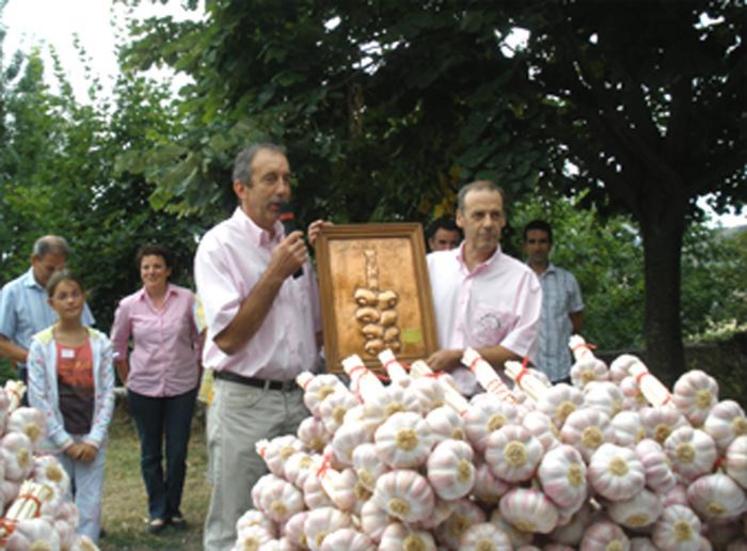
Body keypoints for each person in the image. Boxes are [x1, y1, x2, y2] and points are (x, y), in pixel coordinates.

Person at [194, 143, 325, 551]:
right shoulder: (219, 246)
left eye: (286, 178)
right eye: (270, 179)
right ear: (241, 189)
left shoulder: (294, 246)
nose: (282, 189)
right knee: (237, 526)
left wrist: (337, 258)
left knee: (299, 521)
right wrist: (275, 273)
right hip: (246, 404)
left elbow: (320, 332)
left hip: (300, 402)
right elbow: (230, 338)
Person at [110, 244, 203, 534]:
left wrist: (199, 372)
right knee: (150, 452)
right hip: (143, 386)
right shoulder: (129, 306)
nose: (151, 271)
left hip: (182, 385)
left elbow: (201, 338)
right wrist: (128, 380)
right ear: (141, 271)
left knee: (176, 451)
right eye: (146, 267)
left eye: (157, 266)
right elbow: (117, 347)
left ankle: (174, 508)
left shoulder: (188, 299)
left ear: (168, 270)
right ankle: (157, 511)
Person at [426, 181, 542, 394]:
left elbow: (518, 351)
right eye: (478, 215)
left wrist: (460, 356)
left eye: (495, 215)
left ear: (504, 220)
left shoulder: (522, 279)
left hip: (492, 404)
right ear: (460, 219)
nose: (488, 223)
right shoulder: (430, 267)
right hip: (430, 398)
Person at [26, 270, 115, 543]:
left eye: (75, 294)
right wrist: (66, 442)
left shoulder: (100, 342)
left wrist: (94, 439)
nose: (70, 301)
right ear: (51, 303)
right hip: (54, 441)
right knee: (57, 501)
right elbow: (38, 397)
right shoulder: (40, 345)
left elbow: (108, 392)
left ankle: (87, 545)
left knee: (90, 504)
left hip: (91, 439)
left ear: (83, 297)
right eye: (62, 296)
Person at [0, 236, 95, 389]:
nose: (55, 276)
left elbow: (88, 331)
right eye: (50, 269)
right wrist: (39, 360)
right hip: (33, 375)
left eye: (60, 269)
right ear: (35, 260)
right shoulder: (13, 292)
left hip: (75, 373)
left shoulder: (69, 289)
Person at [523, 219, 584, 383]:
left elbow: (576, 321)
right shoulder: (516, 280)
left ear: (550, 245)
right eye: (532, 242)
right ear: (525, 246)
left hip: (561, 369)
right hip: (527, 372)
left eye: (542, 242)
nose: (537, 247)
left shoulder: (567, 280)